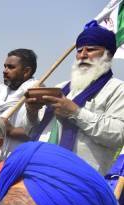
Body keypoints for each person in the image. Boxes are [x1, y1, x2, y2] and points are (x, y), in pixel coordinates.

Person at [24, 22, 124, 175]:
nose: (83, 55)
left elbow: (118, 135)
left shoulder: (117, 89)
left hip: (81, 178)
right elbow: (36, 131)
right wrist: (31, 112)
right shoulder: (61, 87)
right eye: (79, 51)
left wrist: (75, 112)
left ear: (108, 54)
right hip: (41, 169)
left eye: (90, 50)